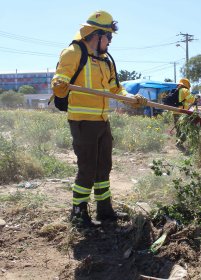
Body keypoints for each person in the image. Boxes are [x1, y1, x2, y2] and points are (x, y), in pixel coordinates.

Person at [51, 10, 147, 227]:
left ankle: (104, 210)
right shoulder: (73, 53)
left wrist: (133, 99)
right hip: (82, 122)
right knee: (87, 168)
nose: (110, 42)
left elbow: (116, 89)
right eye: (109, 37)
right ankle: (78, 213)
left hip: (102, 121)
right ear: (97, 34)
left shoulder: (106, 61)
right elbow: (59, 83)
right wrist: (59, 86)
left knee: (104, 167)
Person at [172, 78, 196, 149]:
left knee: (178, 129)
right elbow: (192, 100)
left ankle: (178, 143)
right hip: (182, 112)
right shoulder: (185, 90)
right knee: (187, 128)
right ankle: (179, 143)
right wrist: (195, 97)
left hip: (174, 112)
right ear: (187, 85)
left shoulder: (175, 90)